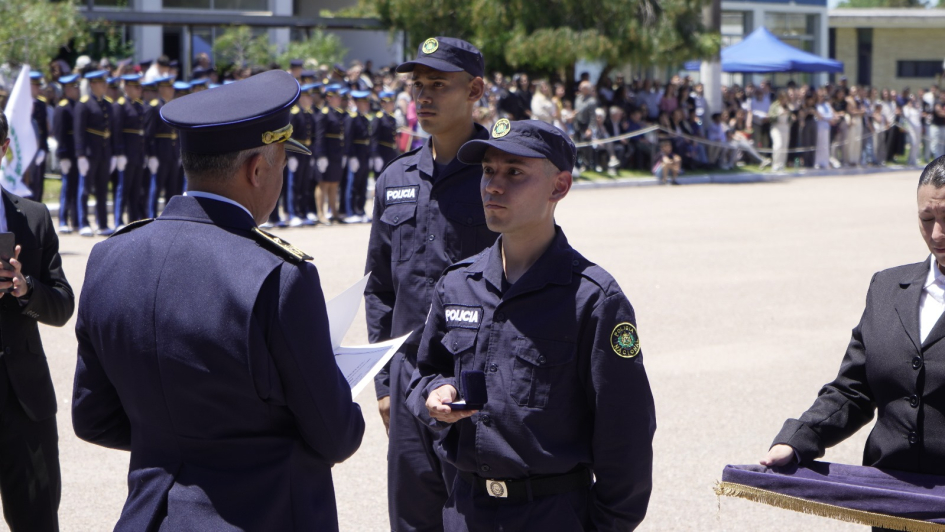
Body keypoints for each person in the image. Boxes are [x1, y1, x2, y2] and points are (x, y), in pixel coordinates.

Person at [71, 70, 365, 531]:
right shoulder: (279, 274)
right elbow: (336, 436)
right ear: (256, 169)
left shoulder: (109, 257)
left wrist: (172, 436)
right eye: (282, 165)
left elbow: (93, 417)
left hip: (151, 517)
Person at [408, 119, 655, 531]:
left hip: (550, 514)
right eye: (488, 170)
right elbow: (424, 373)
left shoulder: (593, 298)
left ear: (559, 187)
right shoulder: (458, 283)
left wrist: (607, 525)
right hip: (466, 511)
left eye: (514, 172)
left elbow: (625, 432)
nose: (492, 185)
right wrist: (435, 394)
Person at [761, 156, 945, 531]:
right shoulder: (886, 289)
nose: (938, 234)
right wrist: (798, 440)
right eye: (927, 219)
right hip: (893, 507)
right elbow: (854, 388)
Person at [363, 36, 498, 532]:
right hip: (405, 378)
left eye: (439, 85)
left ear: (475, 89)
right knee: (413, 518)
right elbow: (380, 287)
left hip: (474, 376)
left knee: (475, 515)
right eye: (418, 85)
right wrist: (382, 382)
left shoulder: (498, 176)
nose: (423, 96)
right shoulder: (395, 178)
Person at [0, 110, 75, 532]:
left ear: (4, 149)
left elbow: (63, 305)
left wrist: (25, 289)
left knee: (37, 521)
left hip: (24, 401)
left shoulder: (33, 217)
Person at [73, 70, 115, 236]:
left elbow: (110, 131)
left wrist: (112, 153)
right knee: (85, 190)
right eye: (101, 82)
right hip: (90, 153)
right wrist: (80, 154)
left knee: (102, 190)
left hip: (104, 153)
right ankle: (83, 222)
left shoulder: (107, 104)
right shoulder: (84, 104)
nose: (105, 85)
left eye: (105, 82)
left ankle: (102, 223)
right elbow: (79, 131)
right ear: (92, 85)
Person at [111, 74, 148, 226]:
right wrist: (119, 153)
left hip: (137, 154)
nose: (140, 90)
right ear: (127, 88)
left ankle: (133, 220)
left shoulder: (139, 105)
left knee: (135, 190)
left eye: (140, 87)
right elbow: (116, 131)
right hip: (126, 154)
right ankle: (118, 220)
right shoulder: (120, 105)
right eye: (136, 87)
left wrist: (144, 153)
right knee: (123, 189)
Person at [315, 84, 348, 224]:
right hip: (327, 152)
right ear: (329, 98)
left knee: (334, 183)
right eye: (336, 97)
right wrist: (321, 155)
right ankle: (321, 214)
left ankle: (334, 212)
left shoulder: (337, 113)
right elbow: (320, 135)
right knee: (323, 184)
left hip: (336, 153)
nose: (339, 99)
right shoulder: (324, 113)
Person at [54, 75, 80, 233]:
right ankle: (63, 219)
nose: (77, 90)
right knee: (66, 187)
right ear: (68, 89)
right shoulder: (62, 107)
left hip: (76, 153)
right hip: (67, 153)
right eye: (74, 87)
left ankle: (75, 220)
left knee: (76, 187)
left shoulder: (76, 106)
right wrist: (62, 155)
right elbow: (59, 133)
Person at [344, 90, 372, 223]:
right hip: (355, 153)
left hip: (364, 154)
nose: (365, 104)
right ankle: (351, 211)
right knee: (353, 184)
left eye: (366, 102)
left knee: (363, 183)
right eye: (362, 102)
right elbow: (348, 138)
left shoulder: (364, 118)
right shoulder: (352, 118)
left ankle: (360, 210)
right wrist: (351, 156)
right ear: (356, 103)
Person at [29, 71, 49, 201]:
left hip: (39, 150)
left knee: (39, 185)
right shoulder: (22, 105)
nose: (38, 89)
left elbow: (44, 130)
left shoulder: (41, 104)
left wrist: (43, 149)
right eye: (35, 85)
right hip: (27, 151)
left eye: (38, 85)